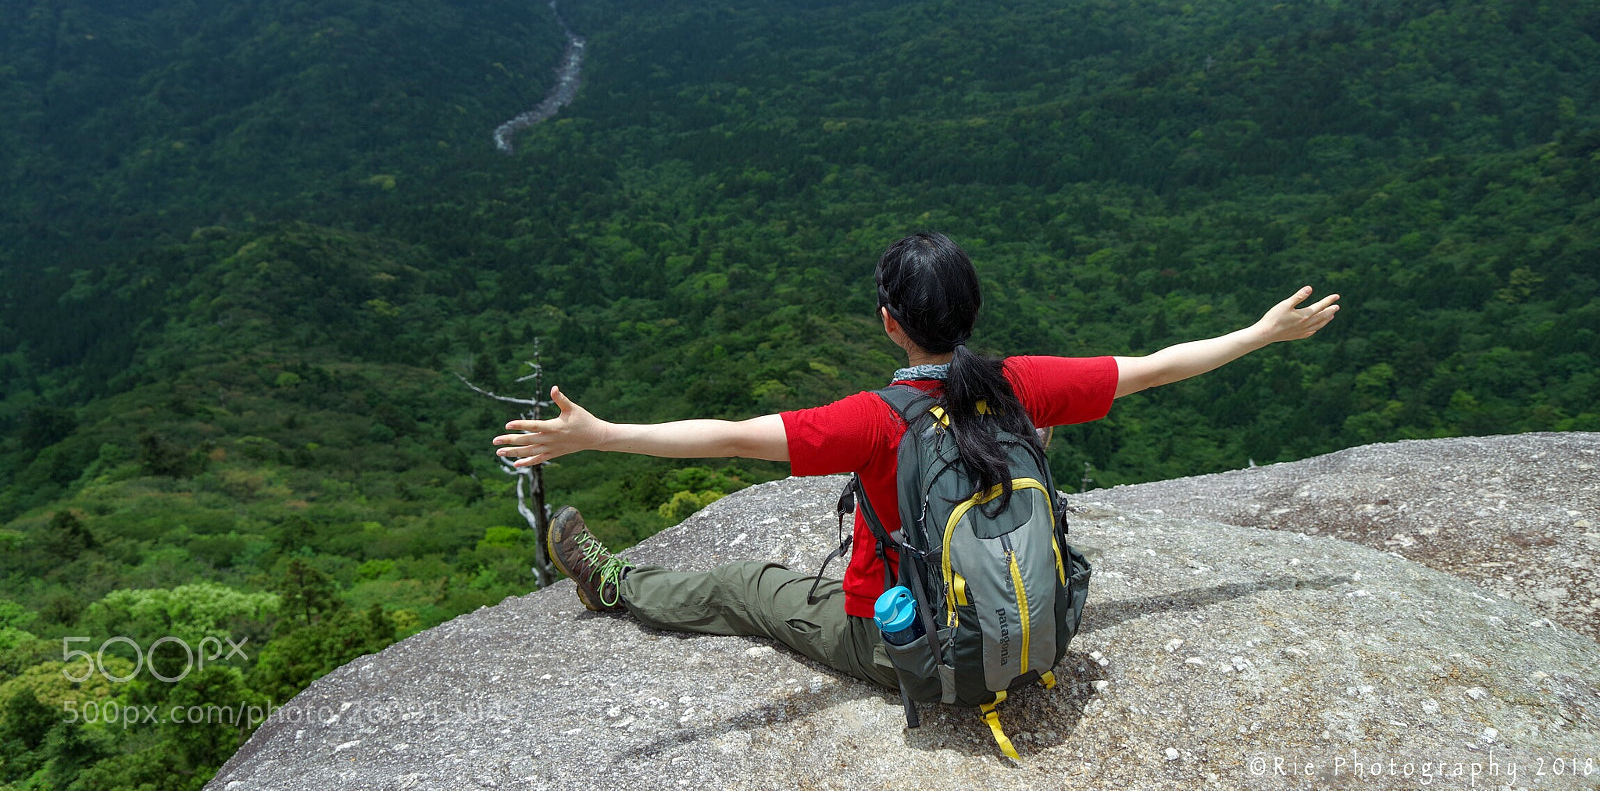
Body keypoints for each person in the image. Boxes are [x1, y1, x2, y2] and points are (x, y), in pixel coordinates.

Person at [491, 232, 1339, 691]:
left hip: (904, 642)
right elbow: (1155, 365)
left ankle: (616, 586)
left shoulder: (871, 421)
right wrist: (1262, 334)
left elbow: (729, 433)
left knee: (741, 584)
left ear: (891, 324)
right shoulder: (1022, 385)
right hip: (1031, 628)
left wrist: (600, 434)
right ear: (969, 313)